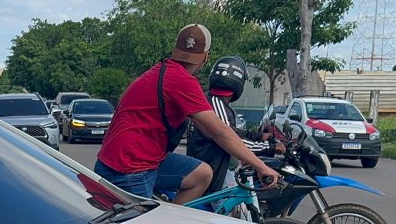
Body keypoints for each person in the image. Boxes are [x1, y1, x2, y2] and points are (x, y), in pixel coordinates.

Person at [94, 24, 280, 204]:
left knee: (202, 174)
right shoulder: (182, 81)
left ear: (176, 50)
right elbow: (220, 132)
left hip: (131, 160)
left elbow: (209, 128)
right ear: (205, 57)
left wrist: (238, 146)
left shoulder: (162, 70)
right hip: (130, 169)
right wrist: (260, 166)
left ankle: (171, 222)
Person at [187, 55, 286, 196]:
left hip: (213, 167)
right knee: (237, 214)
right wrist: (270, 148)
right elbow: (230, 139)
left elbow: (232, 131)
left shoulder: (213, 100)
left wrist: (258, 136)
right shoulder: (216, 103)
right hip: (216, 173)